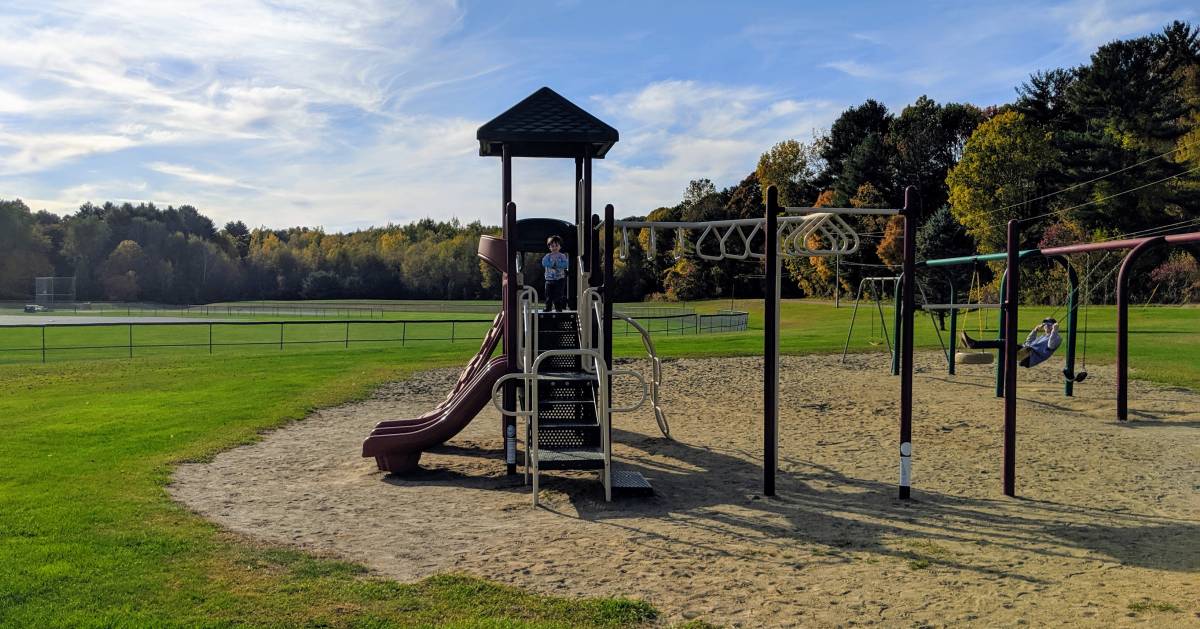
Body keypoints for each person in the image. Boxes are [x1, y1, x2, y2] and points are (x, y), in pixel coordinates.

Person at [960, 318, 1061, 368]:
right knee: (1000, 343)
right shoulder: (1043, 336)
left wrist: (1054, 332)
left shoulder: (1057, 338)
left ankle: (974, 344)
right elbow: (1028, 342)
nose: (1046, 326)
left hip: (1029, 357)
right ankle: (973, 344)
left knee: (1003, 342)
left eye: (1049, 324)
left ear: (1053, 326)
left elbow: (1050, 346)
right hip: (1024, 352)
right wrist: (1034, 330)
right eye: (1044, 324)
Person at [541, 235, 569, 311]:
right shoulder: (548, 256)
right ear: (549, 247)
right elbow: (544, 263)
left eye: (556, 246)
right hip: (549, 279)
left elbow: (565, 264)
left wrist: (557, 265)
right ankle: (548, 307)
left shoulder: (562, 256)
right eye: (552, 246)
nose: (554, 248)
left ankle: (558, 308)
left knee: (558, 295)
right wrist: (552, 264)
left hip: (560, 279)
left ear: (560, 246)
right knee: (548, 295)